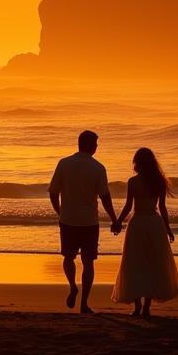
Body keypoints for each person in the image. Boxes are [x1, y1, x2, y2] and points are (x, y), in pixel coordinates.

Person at [48, 129, 121, 314]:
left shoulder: (64, 164)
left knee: (68, 257)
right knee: (88, 262)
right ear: (90, 146)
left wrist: (59, 212)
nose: (97, 147)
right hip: (89, 221)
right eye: (96, 144)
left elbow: (53, 192)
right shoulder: (98, 168)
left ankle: (72, 285)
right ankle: (84, 304)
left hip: (68, 219)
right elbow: (105, 197)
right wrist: (114, 219)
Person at [112, 147, 178, 317]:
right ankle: (146, 307)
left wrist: (118, 221)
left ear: (137, 163)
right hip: (154, 223)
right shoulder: (159, 181)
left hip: (137, 223)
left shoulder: (133, 182)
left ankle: (137, 307)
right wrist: (168, 229)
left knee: (134, 263)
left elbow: (129, 206)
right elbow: (162, 208)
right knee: (153, 263)